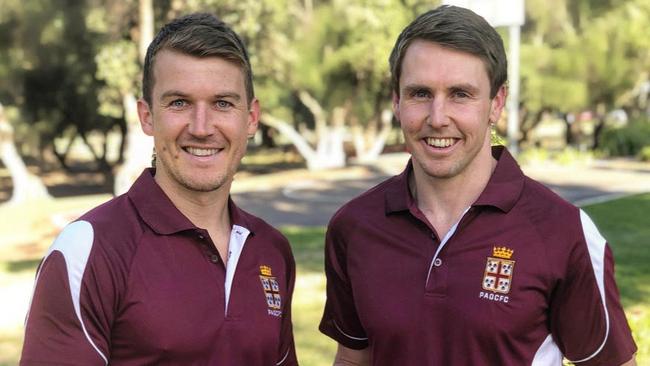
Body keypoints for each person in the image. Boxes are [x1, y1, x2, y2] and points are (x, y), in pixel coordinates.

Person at [319, 5, 637, 366]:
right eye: (420, 93)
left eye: (460, 94)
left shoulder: (563, 232)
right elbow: (351, 358)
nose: (438, 118)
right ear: (396, 100)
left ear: (496, 103)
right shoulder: (355, 227)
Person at [21, 13, 297, 365]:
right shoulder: (89, 248)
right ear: (147, 116)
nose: (201, 127)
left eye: (222, 103)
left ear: (251, 118)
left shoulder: (271, 250)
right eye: (179, 102)